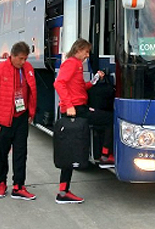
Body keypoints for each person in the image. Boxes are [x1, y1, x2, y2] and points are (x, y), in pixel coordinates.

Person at [53, 38, 105, 204]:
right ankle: (105, 154)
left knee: (69, 149)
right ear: (79, 49)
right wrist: (69, 105)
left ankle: (63, 191)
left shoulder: (76, 64)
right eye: (86, 51)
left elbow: (80, 87)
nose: (87, 55)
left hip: (77, 107)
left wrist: (95, 79)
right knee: (109, 119)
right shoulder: (72, 63)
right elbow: (59, 83)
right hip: (75, 109)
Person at [0, 42, 37, 200]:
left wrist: (31, 112)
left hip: (21, 117)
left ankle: (18, 186)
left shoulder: (27, 69)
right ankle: (1, 182)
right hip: (3, 119)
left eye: (25, 59)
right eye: (20, 58)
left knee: (21, 152)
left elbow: (32, 91)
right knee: (2, 153)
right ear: (12, 56)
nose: (23, 62)